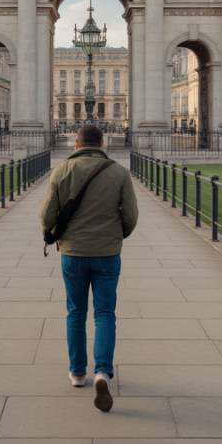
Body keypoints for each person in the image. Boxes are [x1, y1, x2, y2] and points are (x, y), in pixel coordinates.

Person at [38, 123, 138, 413]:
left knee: (76, 312)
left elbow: (46, 216)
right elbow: (131, 216)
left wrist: (55, 233)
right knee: (105, 312)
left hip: (73, 252)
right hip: (107, 252)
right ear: (103, 143)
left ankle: (77, 372)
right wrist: (116, 235)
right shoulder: (119, 172)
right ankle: (103, 372)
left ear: (76, 145)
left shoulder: (61, 171)